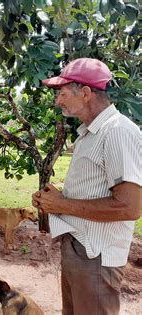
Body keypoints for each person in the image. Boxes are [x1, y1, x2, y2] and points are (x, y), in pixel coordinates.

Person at [31, 58, 141, 315]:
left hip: (97, 259)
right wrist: (58, 197)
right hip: (81, 251)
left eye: (62, 93)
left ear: (86, 93)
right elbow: (97, 188)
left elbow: (130, 207)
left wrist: (62, 204)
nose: (58, 101)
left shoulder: (116, 131)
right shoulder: (92, 132)